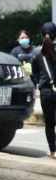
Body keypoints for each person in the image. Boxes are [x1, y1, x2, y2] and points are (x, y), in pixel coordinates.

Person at [30, 22, 56, 159]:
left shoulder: (36, 52)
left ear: (41, 35)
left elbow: (35, 74)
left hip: (46, 92)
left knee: (50, 123)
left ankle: (53, 151)